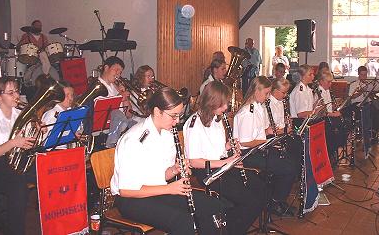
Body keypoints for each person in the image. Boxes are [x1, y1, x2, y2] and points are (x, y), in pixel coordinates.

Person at [110, 87, 225, 235]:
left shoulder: (167, 134)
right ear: (158, 111)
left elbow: (160, 175)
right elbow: (126, 190)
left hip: (157, 190)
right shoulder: (134, 140)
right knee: (183, 221)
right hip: (132, 200)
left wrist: (175, 169)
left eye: (179, 115)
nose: (177, 121)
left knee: (212, 205)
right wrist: (170, 189)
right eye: (173, 116)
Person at [184, 81, 265, 234]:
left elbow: (217, 148)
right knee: (250, 201)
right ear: (212, 102)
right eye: (223, 104)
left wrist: (228, 146)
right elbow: (194, 161)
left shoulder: (217, 118)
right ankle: (231, 229)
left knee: (260, 187)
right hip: (207, 172)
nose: (226, 107)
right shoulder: (194, 124)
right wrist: (226, 161)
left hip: (222, 167)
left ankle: (231, 225)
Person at [233, 76, 297, 217]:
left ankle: (278, 199)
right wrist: (265, 142)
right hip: (247, 154)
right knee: (288, 168)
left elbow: (258, 132)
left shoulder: (258, 108)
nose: (268, 96)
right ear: (256, 91)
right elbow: (244, 142)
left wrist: (268, 132)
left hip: (258, 148)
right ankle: (274, 201)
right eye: (266, 93)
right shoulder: (247, 112)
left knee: (290, 161)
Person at [0, 77, 35, 235]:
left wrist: (38, 132)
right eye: (11, 92)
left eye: (17, 91)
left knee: (47, 166)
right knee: (18, 181)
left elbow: (27, 143)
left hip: (16, 161)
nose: (17, 96)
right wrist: (13, 143)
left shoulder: (20, 114)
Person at [97, 56, 137, 148]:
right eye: (116, 70)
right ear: (106, 68)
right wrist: (119, 96)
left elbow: (129, 114)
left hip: (121, 123)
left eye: (120, 72)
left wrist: (125, 98)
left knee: (138, 125)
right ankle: (111, 144)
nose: (118, 74)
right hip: (105, 127)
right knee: (117, 113)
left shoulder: (115, 87)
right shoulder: (97, 86)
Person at [267, 78, 302, 172]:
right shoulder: (268, 104)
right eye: (283, 92)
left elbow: (282, 122)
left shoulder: (281, 102)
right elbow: (271, 128)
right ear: (274, 91)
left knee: (300, 142)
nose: (286, 95)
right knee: (295, 145)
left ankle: (297, 174)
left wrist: (288, 123)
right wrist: (285, 130)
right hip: (273, 136)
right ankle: (291, 172)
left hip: (283, 133)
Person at [315, 71, 348, 164]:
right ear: (321, 81)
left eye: (331, 82)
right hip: (323, 119)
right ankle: (329, 155)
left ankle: (334, 151)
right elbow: (321, 111)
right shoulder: (318, 92)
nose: (330, 84)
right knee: (333, 135)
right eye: (328, 82)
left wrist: (334, 106)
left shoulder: (327, 90)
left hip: (329, 117)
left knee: (345, 126)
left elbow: (328, 107)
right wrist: (333, 114)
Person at [41, 81, 83, 149]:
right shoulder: (52, 114)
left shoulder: (72, 111)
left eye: (72, 95)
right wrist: (71, 136)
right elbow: (46, 140)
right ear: (58, 96)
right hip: (56, 151)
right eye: (67, 95)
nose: (71, 99)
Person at [289, 64, 316, 128]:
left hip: (306, 122)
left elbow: (309, 107)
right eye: (310, 75)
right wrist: (314, 112)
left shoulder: (308, 89)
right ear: (302, 76)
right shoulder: (299, 91)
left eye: (313, 74)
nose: (313, 77)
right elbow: (300, 114)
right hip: (299, 124)